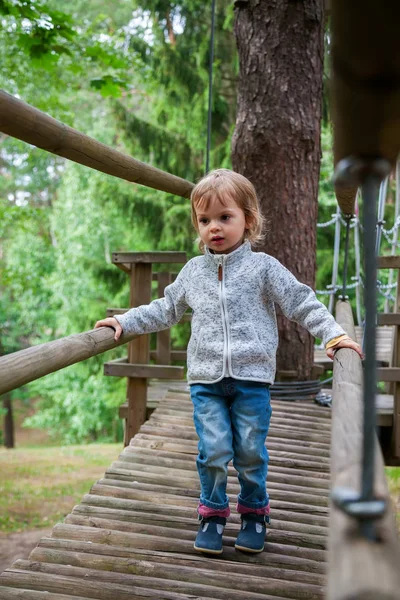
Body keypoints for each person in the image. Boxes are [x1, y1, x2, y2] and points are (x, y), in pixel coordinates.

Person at [95, 169, 363, 555]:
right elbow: (166, 309)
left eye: (225, 217)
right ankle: (213, 514)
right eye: (204, 220)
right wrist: (123, 321)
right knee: (215, 449)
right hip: (206, 381)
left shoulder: (263, 268)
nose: (213, 228)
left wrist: (333, 334)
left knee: (251, 451)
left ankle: (255, 513)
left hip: (252, 379)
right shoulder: (193, 272)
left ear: (248, 220)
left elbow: (301, 301)